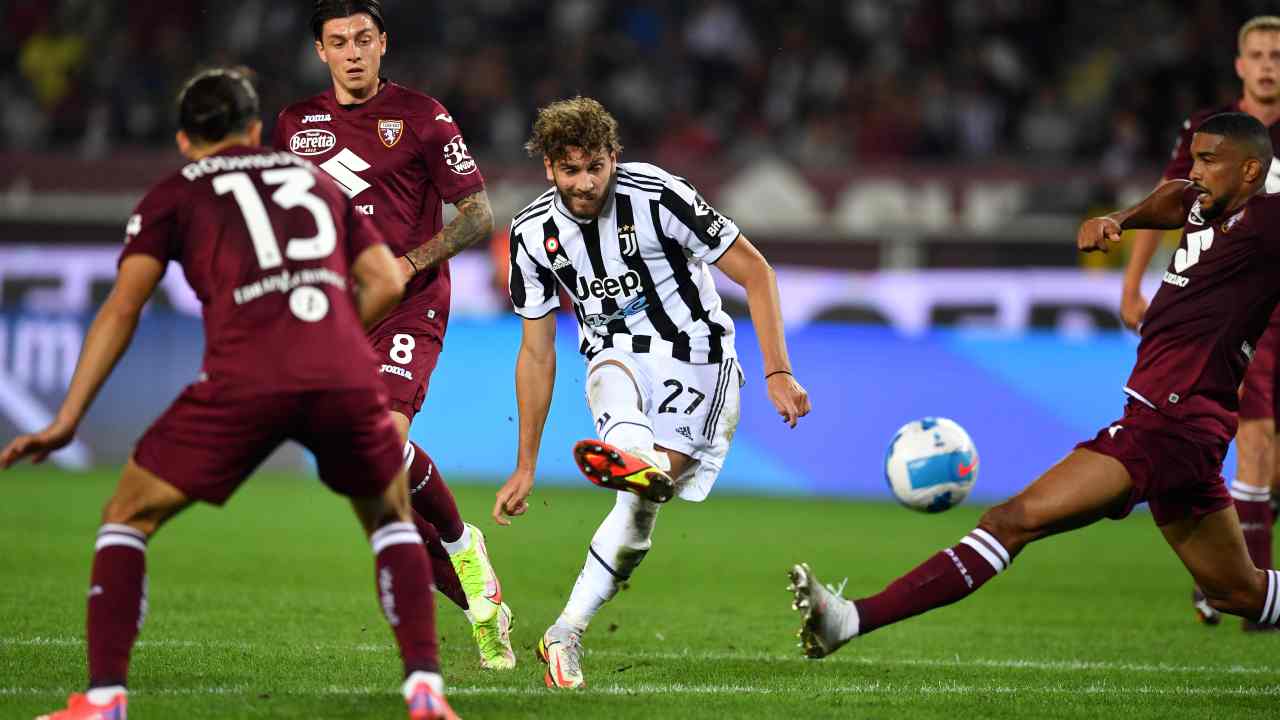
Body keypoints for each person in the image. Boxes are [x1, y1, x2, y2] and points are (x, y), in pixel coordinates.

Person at [1, 68, 458, 720]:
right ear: (253, 129)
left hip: (244, 377)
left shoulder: (171, 194)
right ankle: (425, 691)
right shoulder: (312, 180)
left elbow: (121, 310)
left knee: (126, 516)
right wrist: (335, 337)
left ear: (186, 140)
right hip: (337, 371)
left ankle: (103, 701)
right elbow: (384, 278)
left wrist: (67, 419)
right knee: (388, 521)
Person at [791, 112, 1280, 658]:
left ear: (1251, 170)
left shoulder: (1267, 222)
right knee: (1237, 590)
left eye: (1209, 160)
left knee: (1011, 521)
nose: (1195, 172)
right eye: (1194, 157)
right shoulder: (1205, 204)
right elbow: (1173, 198)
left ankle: (851, 619)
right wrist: (1123, 217)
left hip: (1169, 423)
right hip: (1182, 426)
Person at [496, 96, 811, 688]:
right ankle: (633, 461)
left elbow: (756, 273)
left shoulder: (660, 195)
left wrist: (777, 371)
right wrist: (526, 465)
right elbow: (537, 351)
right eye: (570, 170)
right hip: (616, 353)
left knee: (642, 509)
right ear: (548, 169)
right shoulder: (532, 233)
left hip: (699, 358)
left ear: (614, 157)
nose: (585, 183)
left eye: (596, 167)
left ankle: (569, 621)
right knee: (608, 369)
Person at [274, 0, 515, 668]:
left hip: (411, 303)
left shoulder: (423, 116)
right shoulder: (295, 125)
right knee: (368, 483)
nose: (353, 52)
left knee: (383, 440)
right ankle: (478, 597)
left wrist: (407, 263)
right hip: (340, 309)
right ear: (320, 52)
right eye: (338, 42)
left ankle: (464, 551)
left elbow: (477, 216)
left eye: (363, 39)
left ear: (384, 43)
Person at [1119, 15, 1280, 629]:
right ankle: (1247, 600)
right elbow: (1170, 195)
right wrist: (1134, 280)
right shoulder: (1209, 131)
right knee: (1256, 443)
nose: (1267, 65)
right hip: (1225, 304)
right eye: (1257, 54)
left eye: (1276, 55)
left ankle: (1228, 582)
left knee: (1269, 463)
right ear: (1240, 65)